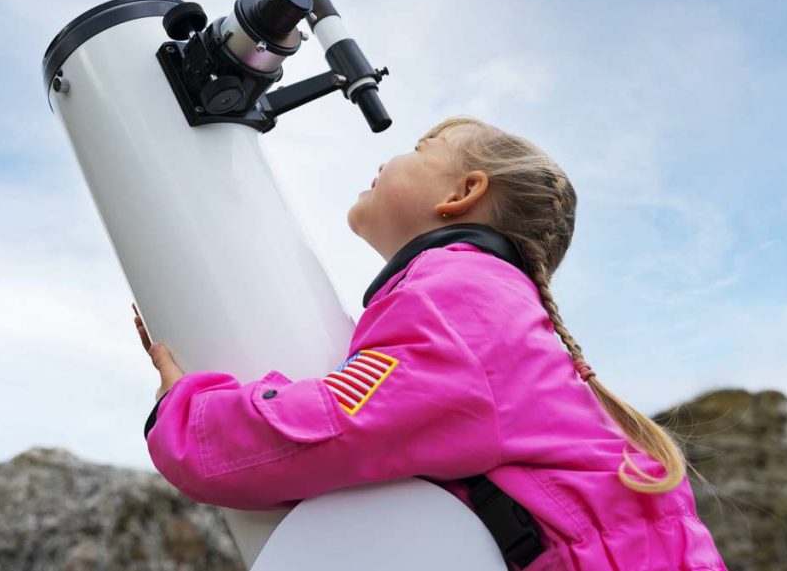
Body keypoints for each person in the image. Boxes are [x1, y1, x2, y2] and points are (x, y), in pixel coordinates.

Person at [137, 115, 727, 570]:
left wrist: (187, 414)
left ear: (463, 192)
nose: (390, 157)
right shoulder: (487, 303)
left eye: (419, 150)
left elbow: (338, 427)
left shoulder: (462, 299)